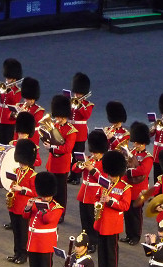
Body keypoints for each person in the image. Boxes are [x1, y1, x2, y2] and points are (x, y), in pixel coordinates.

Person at [90, 150, 131, 267]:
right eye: (110, 175)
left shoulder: (125, 188)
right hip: (101, 222)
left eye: (113, 176)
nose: (111, 177)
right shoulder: (104, 184)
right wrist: (98, 202)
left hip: (113, 225)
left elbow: (125, 206)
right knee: (101, 251)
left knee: (111, 253)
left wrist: (110, 200)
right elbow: (96, 197)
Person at [23, 172, 63, 267]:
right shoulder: (37, 201)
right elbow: (25, 216)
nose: (44, 197)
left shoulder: (57, 208)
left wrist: (44, 209)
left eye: (46, 195)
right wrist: (29, 205)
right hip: (33, 241)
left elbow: (48, 220)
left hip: (45, 243)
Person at [71, 129, 107, 253]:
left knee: (93, 220)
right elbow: (75, 170)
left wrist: (92, 170)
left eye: (96, 152)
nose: (94, 154)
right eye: (93, 151)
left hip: (95, 194)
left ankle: (93, 242)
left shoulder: (104, 163)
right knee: (84, 219)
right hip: (84, 193)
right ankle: (85, 240)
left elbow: (103, 180)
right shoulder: (89, 159)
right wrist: (80, 164)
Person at [43, 94, 77, 222]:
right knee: (50, 189)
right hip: (52, 163)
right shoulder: (54, 126)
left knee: (60, 192)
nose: (58, 119)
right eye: (57, 116)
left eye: (60, 117)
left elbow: (67, 148)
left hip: (62, 165)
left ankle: (60, 213)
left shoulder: (71, 131)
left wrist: (51, 148)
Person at [121, 121, 153, 246]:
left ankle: (136, 236)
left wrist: (129, 171)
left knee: (136, 216)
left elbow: (143, 170)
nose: (135, 145)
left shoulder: (147, 157)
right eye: (135, 142)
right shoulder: (133, 152)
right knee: (127, 214)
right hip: (129, 188)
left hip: (139, 190)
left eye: (138, 143)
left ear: (144, 143)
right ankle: (129, 235)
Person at [6, 139, 37, 265]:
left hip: (24, 207)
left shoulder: (32, 175)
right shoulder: (16, 171)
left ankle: (23, 255)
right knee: (16, 231)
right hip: (14, 205)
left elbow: (35, 193)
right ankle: (16, 253)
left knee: (23, 232)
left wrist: (22, 189)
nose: (21, 164)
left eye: (23, 162)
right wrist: (11, 190)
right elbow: (13, 184)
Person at [67, 72, 93, 185]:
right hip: (69, 131)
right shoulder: (72, 101)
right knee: (69, 154)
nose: (77, 95)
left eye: (79, 93)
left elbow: (86, 115)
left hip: (80, 133)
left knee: (77, 156)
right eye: (76, 92)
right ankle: (71, 175)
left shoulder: (88, 104)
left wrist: (80, 105)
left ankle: (77, 176)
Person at [0, 58, 22, 144]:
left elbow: (14, 100)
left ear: (14, 79)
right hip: (1, 116)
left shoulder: (17, 90)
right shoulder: (3, 87)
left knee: (9, 140)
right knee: (1, 140)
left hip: (9, 117)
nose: (7, 80)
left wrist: (9, 91)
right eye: (7, 79)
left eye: (9, 79)